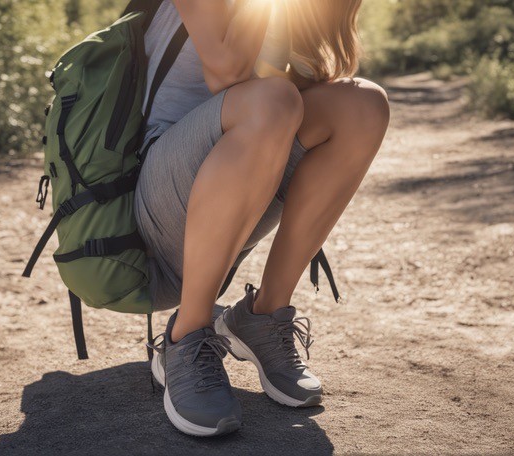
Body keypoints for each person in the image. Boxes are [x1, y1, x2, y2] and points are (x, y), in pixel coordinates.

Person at [133, 0, 390, 436]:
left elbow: (303, 88)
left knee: (362, 105)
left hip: (227, 187)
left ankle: (263, 315)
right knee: (271, 100)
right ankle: (184, 336)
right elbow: (228, 75)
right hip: (154, 192)